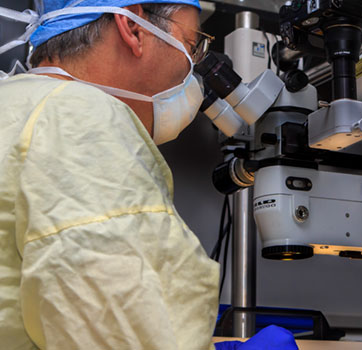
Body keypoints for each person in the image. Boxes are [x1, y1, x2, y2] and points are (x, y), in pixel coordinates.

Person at [0, 1, 295, 349]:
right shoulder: (82, 121)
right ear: (135, 29)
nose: (191, 71)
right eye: (191, 45)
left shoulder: (15, 107)